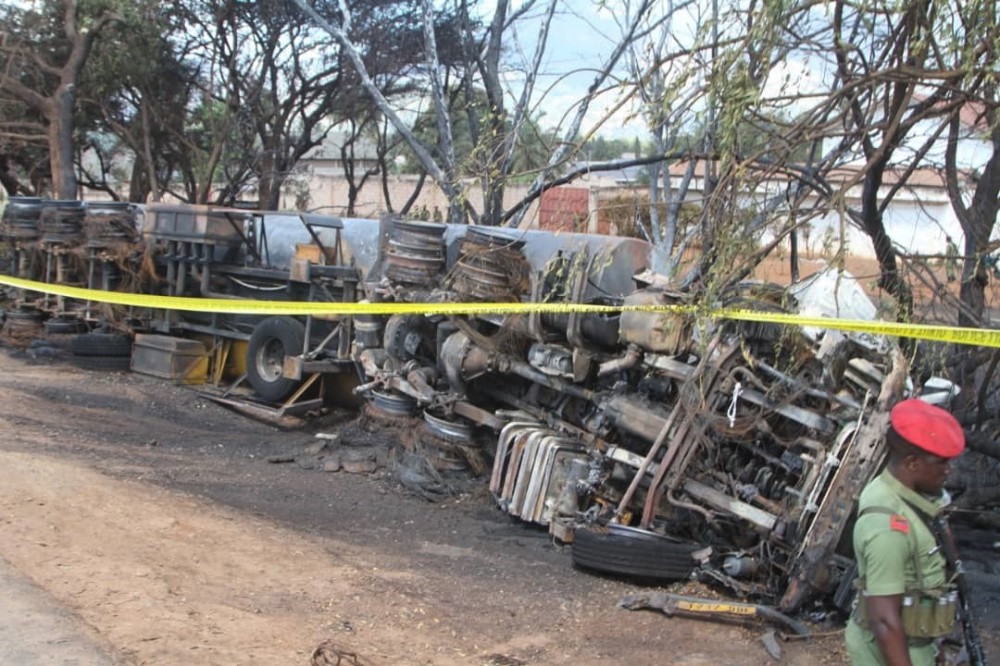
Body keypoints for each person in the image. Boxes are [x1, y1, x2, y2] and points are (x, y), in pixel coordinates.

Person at [845, 399, 965, 666]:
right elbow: (884, 620)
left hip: (915, 643)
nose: (948, 470)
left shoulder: (909, 497)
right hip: (893, 651)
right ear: (912, 463)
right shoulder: (888, 527)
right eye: (941, 463)